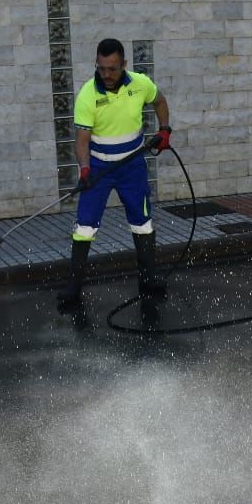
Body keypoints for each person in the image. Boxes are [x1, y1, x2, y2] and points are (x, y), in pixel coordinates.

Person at [57, 37, 173, 309]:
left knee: (142, 221)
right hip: (99, 168)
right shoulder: (88, 94)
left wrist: (165, 129)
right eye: (101, 68)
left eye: (112, 68)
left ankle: (148, 278)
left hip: (132, 166)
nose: (106, 75)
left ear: (124, 64)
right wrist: (85, 168)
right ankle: (73, 287)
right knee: (85, 226)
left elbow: (160, 101)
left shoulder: (140, 84)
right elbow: (82, 140)